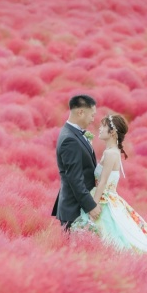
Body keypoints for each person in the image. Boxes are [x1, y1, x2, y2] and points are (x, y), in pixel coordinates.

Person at [70, 113, 147, 277]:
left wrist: (93, 206)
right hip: (110, 199)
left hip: (103, 201)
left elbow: (103, 182)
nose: (99, 129)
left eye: (103, 126)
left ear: (112, 132)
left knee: (111, 239)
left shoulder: (111, 154)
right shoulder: (113, 152)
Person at [52, 95, 101, 230]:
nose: (93, 119)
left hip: (76, 207)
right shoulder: (70, 139)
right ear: (81, 112)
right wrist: (91, 206)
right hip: (74, 209)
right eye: (92, 115)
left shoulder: (73, 133)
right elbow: (74, 178)